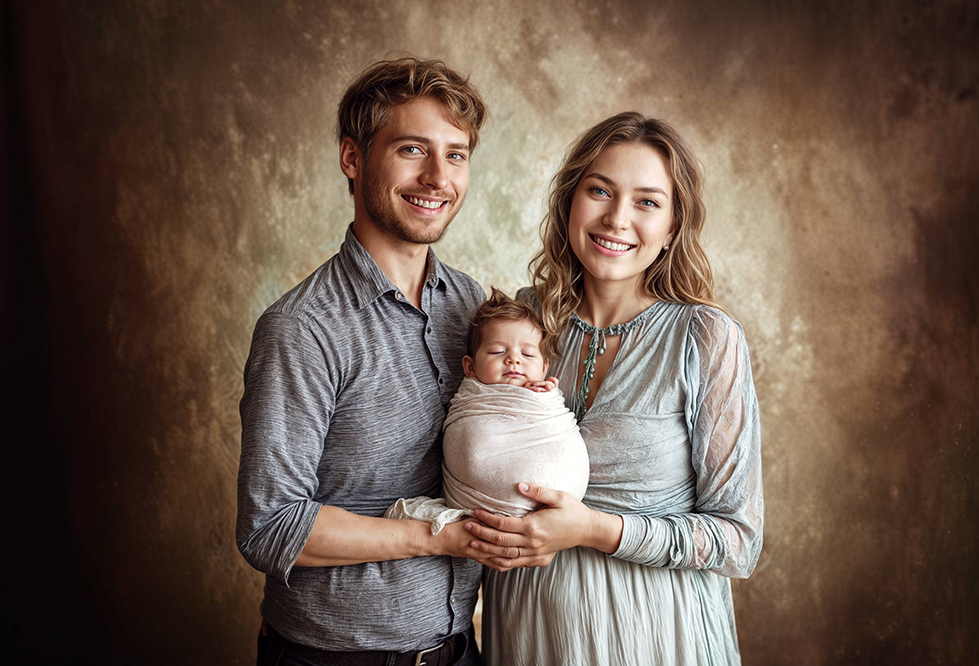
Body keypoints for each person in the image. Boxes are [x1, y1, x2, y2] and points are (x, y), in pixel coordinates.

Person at [466, 112, 764, 665]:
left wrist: (595, 529)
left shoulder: (705, 336)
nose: (617, 219)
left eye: (647, 202)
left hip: (658, 637)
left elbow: (737, 540)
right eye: (600, 191)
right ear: (569, 203)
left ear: (672, 227)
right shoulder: (521, 322)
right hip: (529, 634)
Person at [236, 57, 490, 666]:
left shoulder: (472, 306)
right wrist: (437, 538)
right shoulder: (302, 328)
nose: (437, 178)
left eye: (455, 155)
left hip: (458, 650)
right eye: (412, 149)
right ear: (352, 158)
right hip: (331, 657)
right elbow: (269, 527)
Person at [385, 287, 589, 532]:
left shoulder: (544, 396)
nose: (514, 359)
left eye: (527, 354)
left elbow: (555, 427)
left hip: (559, 521)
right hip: (476, 516)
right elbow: (467, 444)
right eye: (498, 351)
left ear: (545, 368)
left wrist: (546, 396)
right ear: (470, 367)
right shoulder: (471, 400)